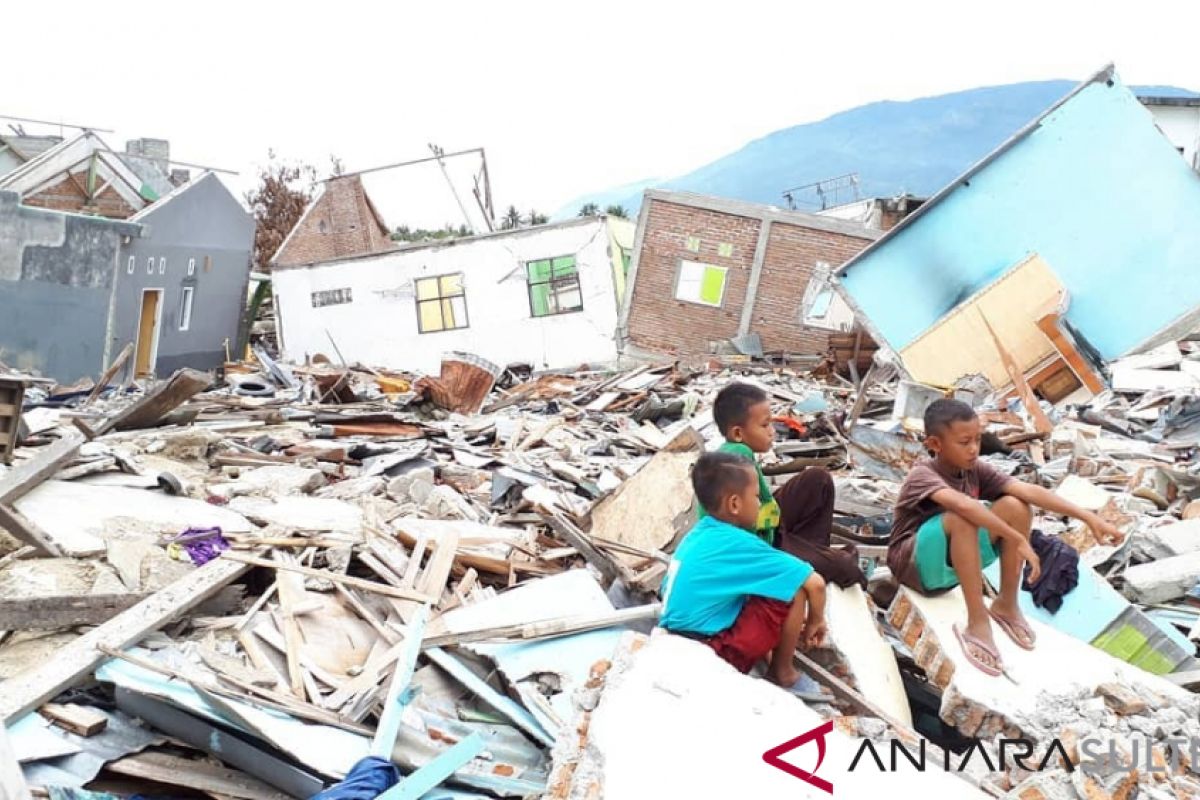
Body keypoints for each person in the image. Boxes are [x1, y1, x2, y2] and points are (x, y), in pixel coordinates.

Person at [888, 399, 1124, 677]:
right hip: (913, 567)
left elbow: (1027, 490)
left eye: (977, 439)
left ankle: (1006, 604)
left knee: (1016, 505)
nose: (974, 449)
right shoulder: (922, 474)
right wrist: (1018, 539)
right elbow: (964, 506)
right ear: (935, 445)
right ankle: (977, 622)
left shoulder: (973, 469)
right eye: (964, 442)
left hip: (951, 569)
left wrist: (1088, 517)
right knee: (964, 516)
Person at [661, 451, 827, 687]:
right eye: (757, 497)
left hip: (673, 640)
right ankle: (783, 671)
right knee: (793, 590)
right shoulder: (737, 542)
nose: (760, 504)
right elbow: (815, 583)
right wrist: (816, 621)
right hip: (710, 654)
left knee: (760, 587)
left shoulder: (696, 536)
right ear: (735, 504)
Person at [706, 382, 866, 588]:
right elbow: (746, 530)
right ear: (738, 433)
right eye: (765, 425)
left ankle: (814, 555)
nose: (772, 432)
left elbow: (763, 505)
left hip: (766, 526)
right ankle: (817, 563)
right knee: (846, 568)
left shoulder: (732, 453)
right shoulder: (737, 457)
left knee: (818, 480)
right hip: (755, 546)